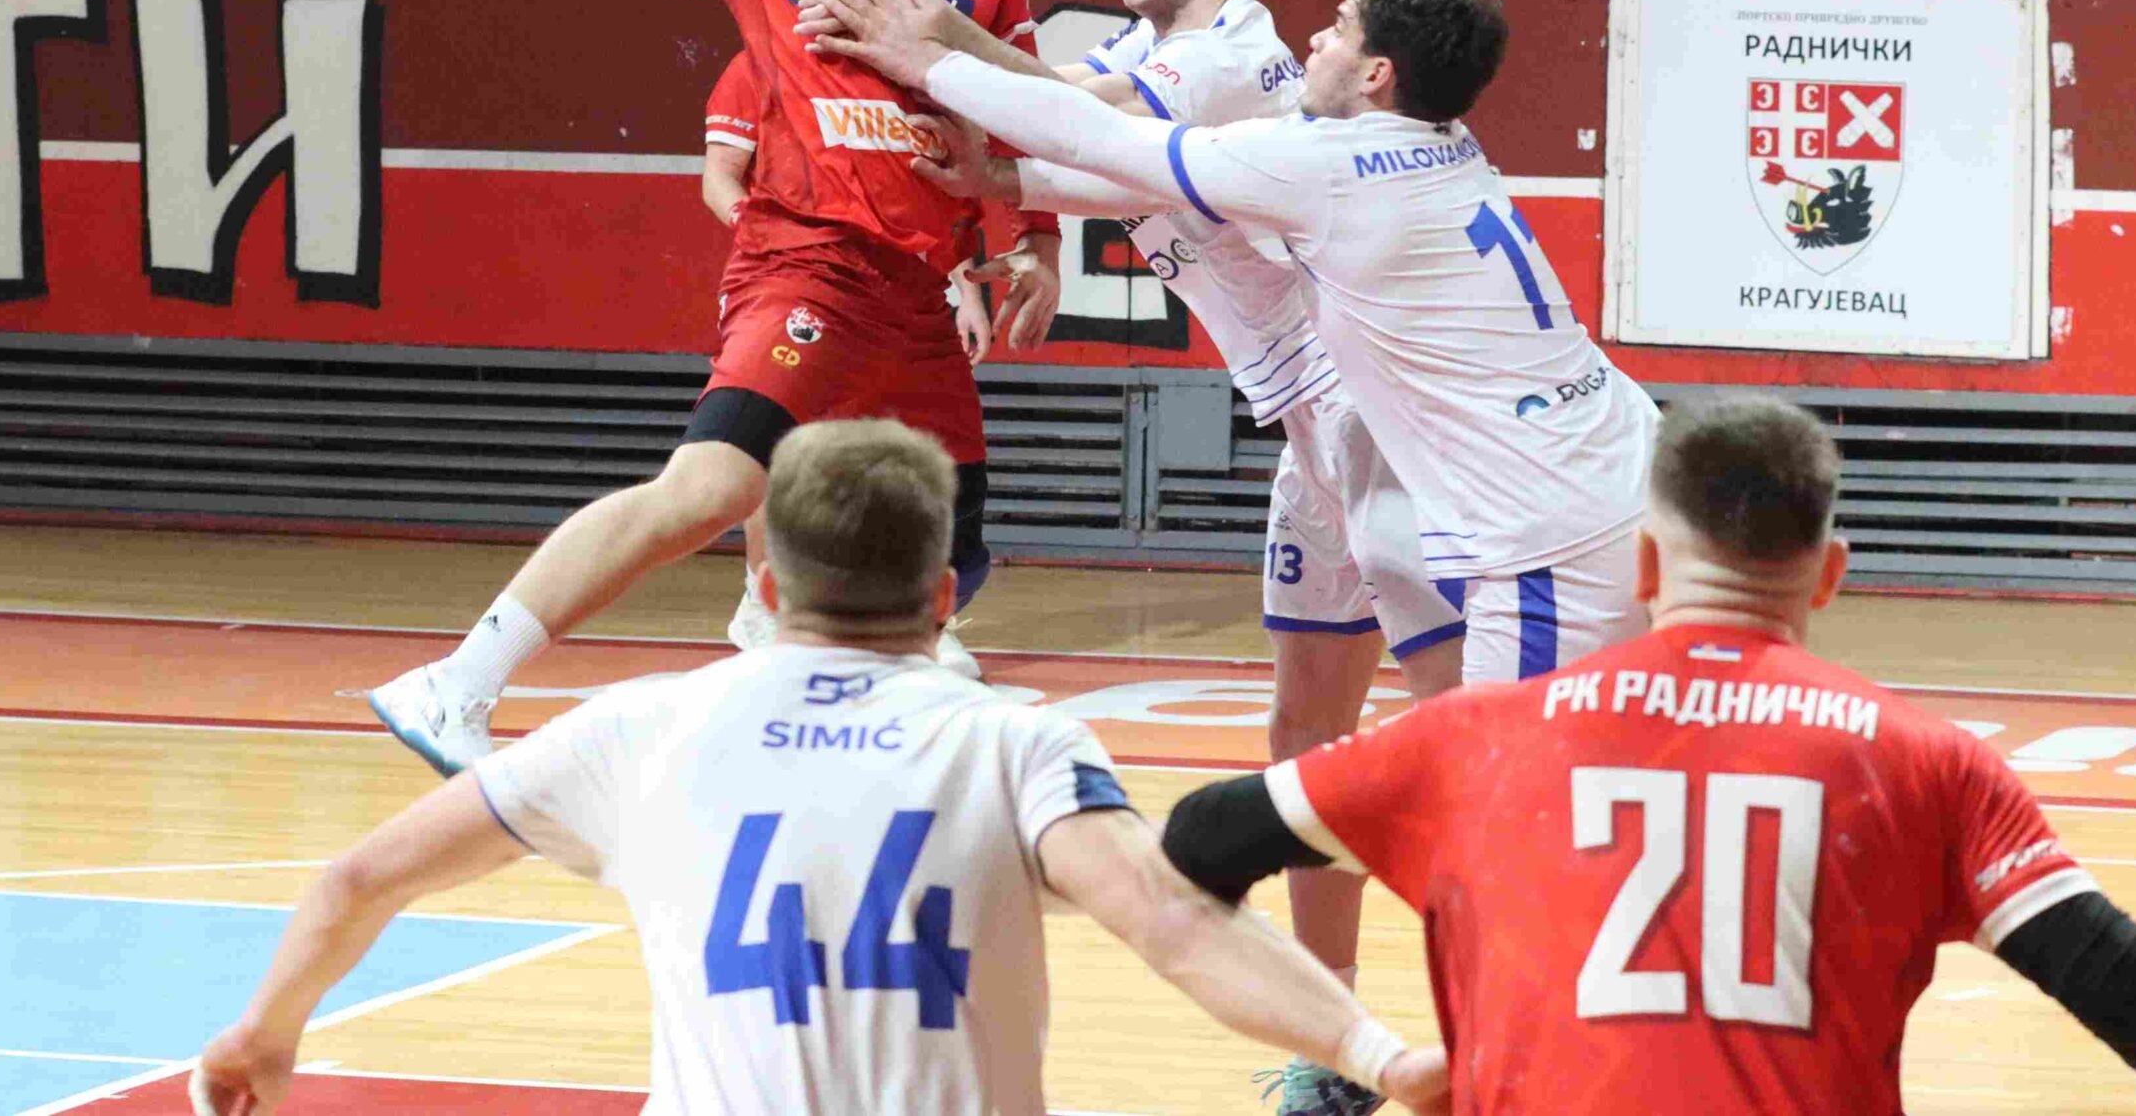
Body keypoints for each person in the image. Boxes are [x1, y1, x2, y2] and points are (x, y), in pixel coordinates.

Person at [195, 419, 1449, 1116]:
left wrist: (265, 1030)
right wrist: (1380, 1053)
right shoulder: (1011, 744)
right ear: (944, 594)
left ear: (765, 582)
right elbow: (1177, 926)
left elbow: (358, 879)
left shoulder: (636, 729)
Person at [1158, 396, 2136, 1116]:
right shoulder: (1927, 762)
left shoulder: (1469, 738)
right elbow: (2107, 973)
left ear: (1644, 566)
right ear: (1830, 574)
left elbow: (1200, 843)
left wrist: (1368, 1052)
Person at [365, 0, 1063, 774]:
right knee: (710, 487)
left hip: (917, 290)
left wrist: (1036, 238)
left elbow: (1022, 103)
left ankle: (795, 680)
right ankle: (456, 681)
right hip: (809, 260)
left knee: (950, 553)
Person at [889, 0, 1466, 1111]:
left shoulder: (1234, 58)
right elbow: (1061, 142)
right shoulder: (1147, 55)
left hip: (1370, 416)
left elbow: (1067, 122)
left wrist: (920, 31)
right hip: (1310, 437)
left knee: (1461, 727)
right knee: (1306, 735)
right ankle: (1340, 1048)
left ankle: (1523, 1010)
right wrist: (1000, 215)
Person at [802, 0, 1660, 696]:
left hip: (1550, 528)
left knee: (1515, 792)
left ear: (1376, 74)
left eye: (1340, 28)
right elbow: (1150, 175)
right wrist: (1000, 181)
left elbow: (1103, 139)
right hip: (1617, 466)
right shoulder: (1438, 138)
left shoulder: (1325, 164)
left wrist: (927, 60)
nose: (1316, 39)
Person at [702, 49, 996, 652]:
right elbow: (719, 176)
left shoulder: (910, 74)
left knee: (930, 454)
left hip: (903, 292)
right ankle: (763, 601)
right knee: (778, 439)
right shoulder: (761, 62)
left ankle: (919, 620)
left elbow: (935, 202)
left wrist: (967, 290)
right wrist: (770, 239)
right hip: (799, 279)